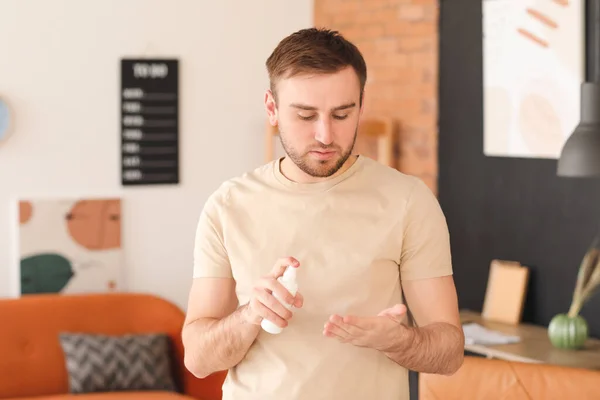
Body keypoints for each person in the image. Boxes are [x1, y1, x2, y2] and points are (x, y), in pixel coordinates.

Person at [182, 27, 464, 400]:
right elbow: (199, 360)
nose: (325, 135)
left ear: (361, 106)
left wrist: (399, 341)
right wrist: (250, 315)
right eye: (305, 115)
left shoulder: (409, 201)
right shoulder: (228, 206)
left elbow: (449, 352)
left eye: (342, 114)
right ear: (272, 108)